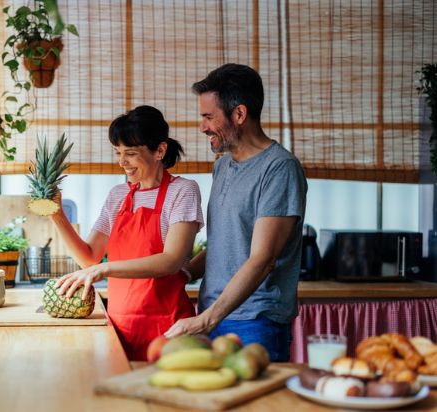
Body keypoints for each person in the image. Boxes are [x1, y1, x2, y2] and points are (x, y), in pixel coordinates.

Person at [164, 64, 308, 362]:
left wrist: (207, 319)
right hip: (211, 315)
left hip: (255, 322)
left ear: (239, 114)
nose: (202, 127)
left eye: (208, 117)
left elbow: (262, 259)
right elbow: (223, 244)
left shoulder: (279, 168)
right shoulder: (223, 166)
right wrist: (184, 273)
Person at [52, 105, 204, 361]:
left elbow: (171, 261)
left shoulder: (183, 191)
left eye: (131, 153)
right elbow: (90, 257)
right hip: (121, 328)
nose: (122, 162)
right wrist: (57, 215)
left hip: (168, 328)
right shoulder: (118, 196)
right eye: (118, 153)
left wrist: (105, 268)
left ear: (160, 150)